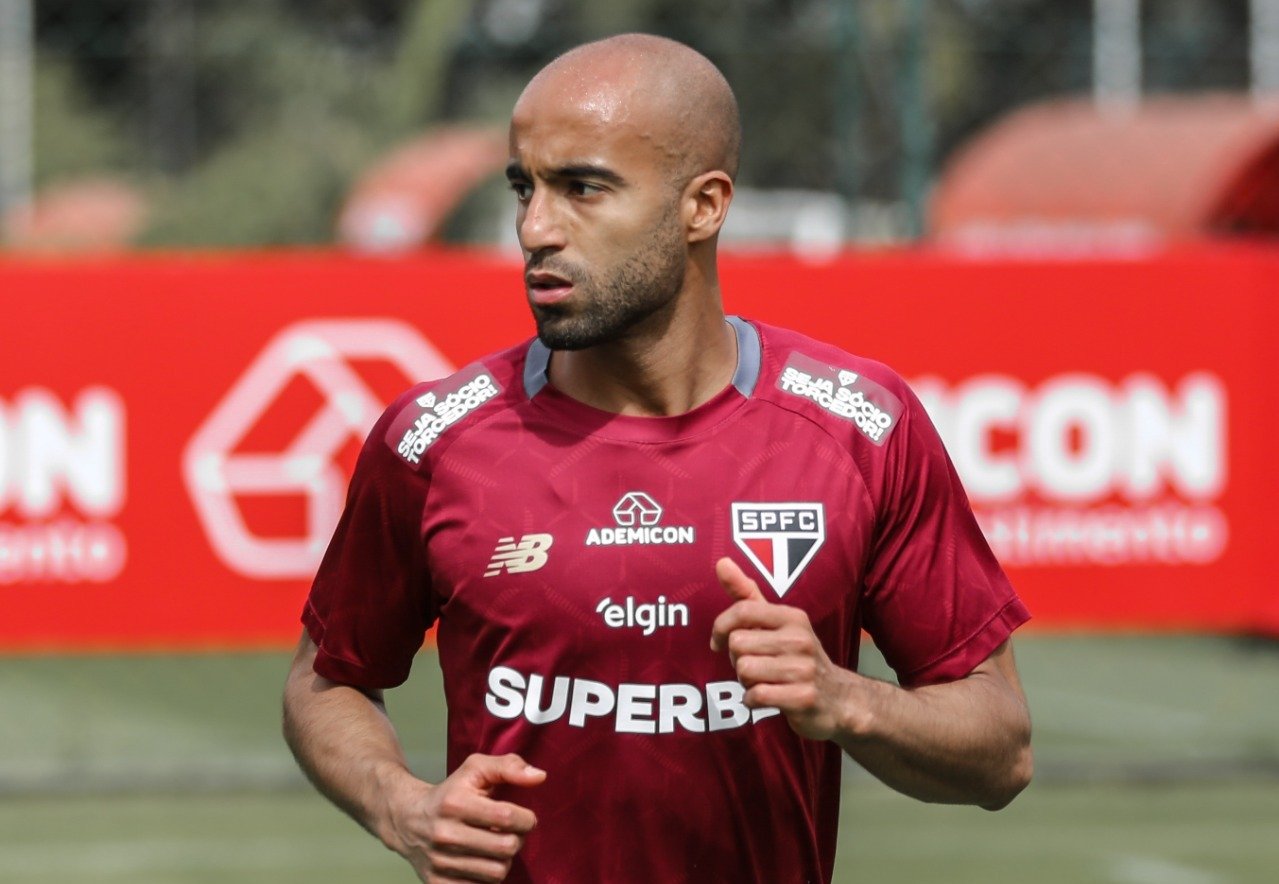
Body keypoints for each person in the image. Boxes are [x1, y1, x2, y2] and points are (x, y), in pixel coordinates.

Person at [283, 33, 1032, 884]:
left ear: (702, 206)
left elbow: (999, 748)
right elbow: (327, 679)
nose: (534, 229)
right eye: (525, 187)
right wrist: (399, 805)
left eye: (582, 189)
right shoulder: (432, 439)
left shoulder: (862, 429)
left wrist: (847, 701)